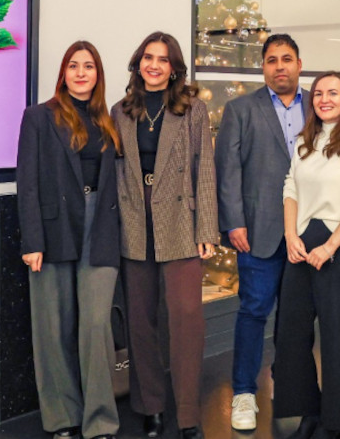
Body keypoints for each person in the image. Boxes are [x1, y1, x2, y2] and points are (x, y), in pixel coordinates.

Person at [113, 32, 220, 439]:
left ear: (174, 67)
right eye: (147, 57)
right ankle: (150, 407)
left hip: (180, 219)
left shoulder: (193, 110)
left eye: (162, 59)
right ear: (138, 62)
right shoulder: (120, 110)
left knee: (186, 318)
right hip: (135, 220)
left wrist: (206, 228)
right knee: (141, 322)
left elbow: (204, 169)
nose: (154, 65)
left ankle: (189, 413)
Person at [16, 41, 123, 439]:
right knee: (53, 326)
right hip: (54, 228)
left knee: (96, 326)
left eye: (89, 66)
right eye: (74, 66)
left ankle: (100, 422)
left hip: (101, 227)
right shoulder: (38, 117)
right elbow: (27, 183)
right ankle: (63, 418)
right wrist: (32, 240)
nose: (81, 73)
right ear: (63, 73)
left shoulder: (110, 120)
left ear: (98, 74)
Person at [273, 72, 340, 439]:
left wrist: (330, 245)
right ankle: (309, 411)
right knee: (291, 336)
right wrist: (290, 235)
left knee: (336, 337)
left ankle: (332, 422)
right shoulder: (306, 140)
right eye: (318, 93)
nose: (325, 98)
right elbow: (290, 186)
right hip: (300, 245)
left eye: (333, 92)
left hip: (337, 245)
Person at [215, 34, 307, 431]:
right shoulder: (240, 109)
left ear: (299, 64)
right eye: (272, 60)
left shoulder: (319, 106)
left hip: (308, 232)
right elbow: (228, 170)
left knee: (297, 316)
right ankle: (243, 393)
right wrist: (234, 221)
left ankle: (287, 385)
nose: (280, 66)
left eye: (287, 59)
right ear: (263, 67)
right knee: (253, 312)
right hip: (258, 231)